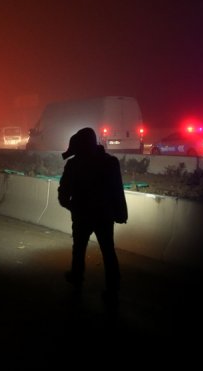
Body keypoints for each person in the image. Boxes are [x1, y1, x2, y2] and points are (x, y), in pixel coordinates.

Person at [57, 127, 128, 308]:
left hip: (81, 214)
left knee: (79, 248)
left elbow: (63, 192)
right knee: (108, 251)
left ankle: (77, 278)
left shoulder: (74, 164)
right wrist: (120, 213)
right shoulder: (110, 162)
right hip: (104, 215)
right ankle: (113, 289)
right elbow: (117, 190)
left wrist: (69, 205)